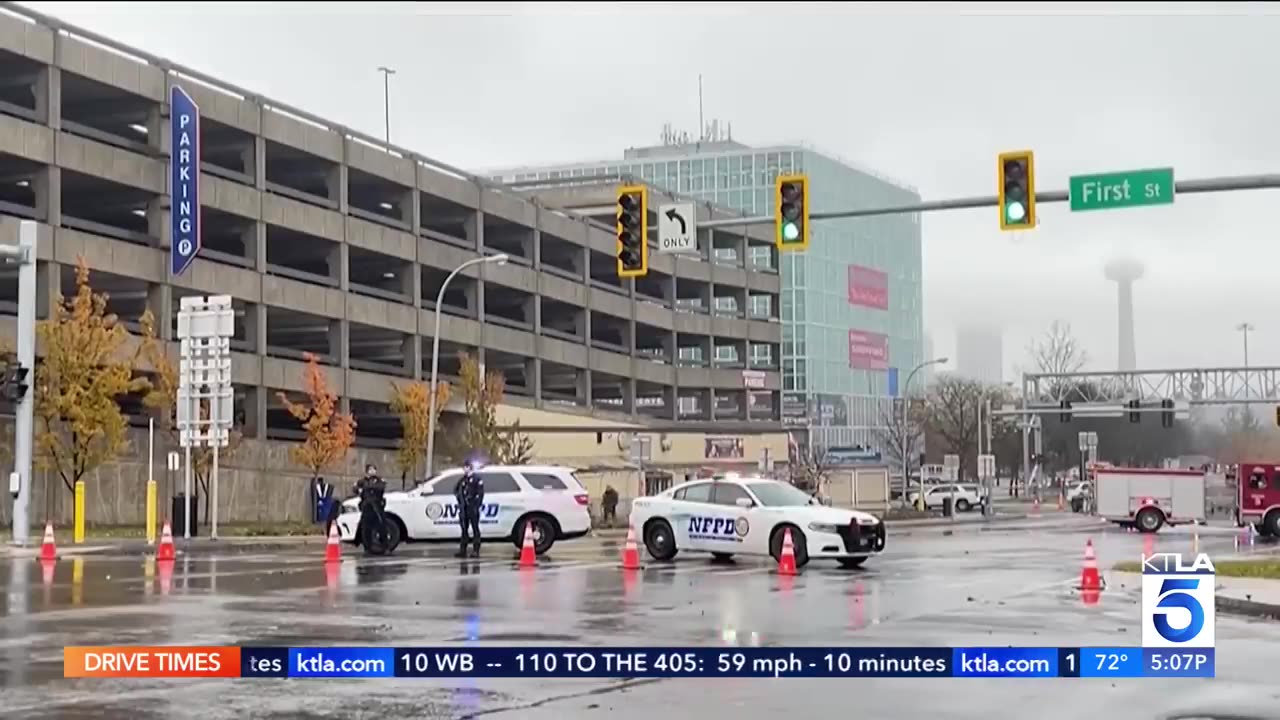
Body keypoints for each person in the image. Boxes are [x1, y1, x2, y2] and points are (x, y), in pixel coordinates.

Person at [454, 453, 486, 558]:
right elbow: (456, 490)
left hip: (473, 508)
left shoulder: (477, 479)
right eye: (464, 467)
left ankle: (476, 550)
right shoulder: (463, 480)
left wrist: (477, 505)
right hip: (464, 508)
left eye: (466, 467)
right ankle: (463, 550)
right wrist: (460, 501)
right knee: (464, 529)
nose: (465, 469)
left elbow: (480, 493)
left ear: (470, 468)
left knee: (475, 529)